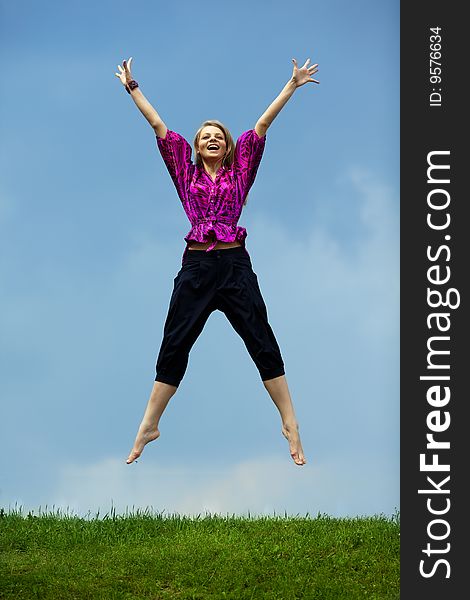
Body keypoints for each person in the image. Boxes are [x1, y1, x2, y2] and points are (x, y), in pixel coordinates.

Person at [115, 56, 319, 467]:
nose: (211, 139)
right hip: (196, 269)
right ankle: (149, 424)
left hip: (234, 268)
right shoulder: (184, 173)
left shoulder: (239, 172)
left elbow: (260, 127)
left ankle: (290, 422)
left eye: (217, 137)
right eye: (205, 136)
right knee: (175, 342)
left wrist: (291, 86)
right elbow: (158, 127)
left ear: (226, 147)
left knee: (260, 338)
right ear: (195, 146)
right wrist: (133, 86)